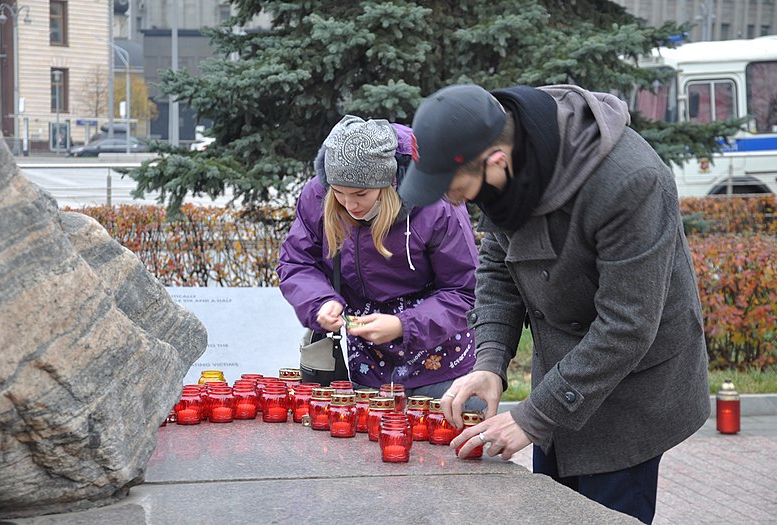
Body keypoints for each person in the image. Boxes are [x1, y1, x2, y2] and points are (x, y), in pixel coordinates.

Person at [398, 83, 710, 524]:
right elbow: (498, 266)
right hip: (564, 381)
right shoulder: (515, 150)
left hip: (632, 393)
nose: (452, 200)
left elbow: (628, 325)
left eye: (456, 188)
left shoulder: (631, 180)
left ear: (496, 160)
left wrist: (533, 416)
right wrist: (489, 362)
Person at [276, 115, 482, 402]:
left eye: (361, 193)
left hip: (443, 366)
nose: (349, 205)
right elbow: (297, 263)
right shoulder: (318, 195)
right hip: (369, 368)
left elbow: (465, 292)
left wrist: (403, 325)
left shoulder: (436, 205)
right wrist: (320, 302)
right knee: (372, 441)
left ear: (389, 183)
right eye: (339, 193)